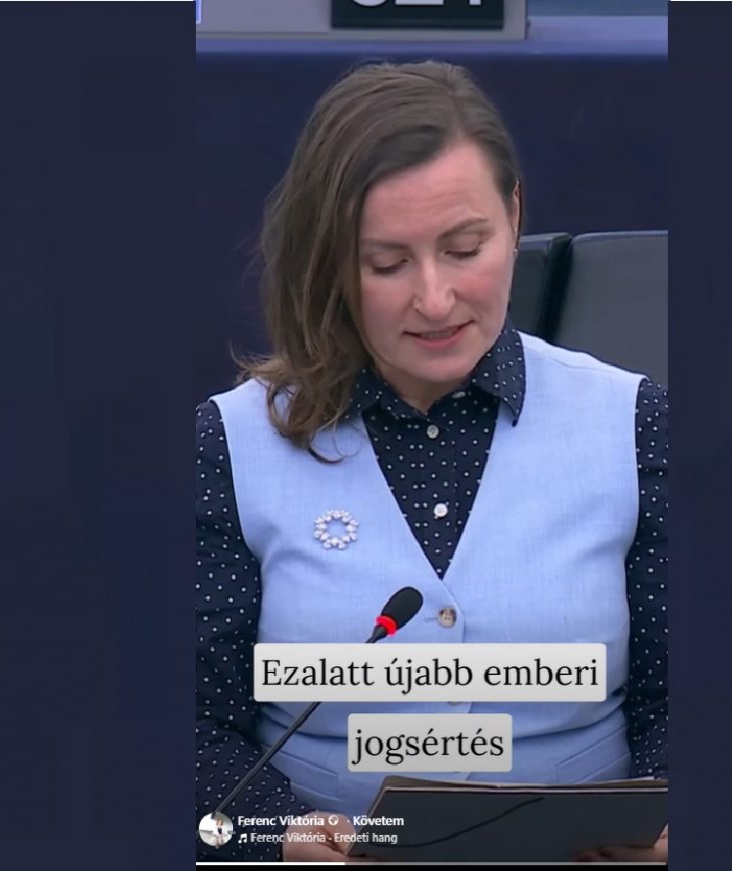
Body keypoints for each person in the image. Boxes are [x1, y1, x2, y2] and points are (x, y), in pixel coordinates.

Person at [196, 60, 668, 863]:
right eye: (387, 263)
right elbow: (191, 725)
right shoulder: (230, 445)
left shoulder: (635, 424)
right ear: (329, 263)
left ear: (513, 217)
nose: (436, 298)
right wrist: (275, 831)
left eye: (464, 247)